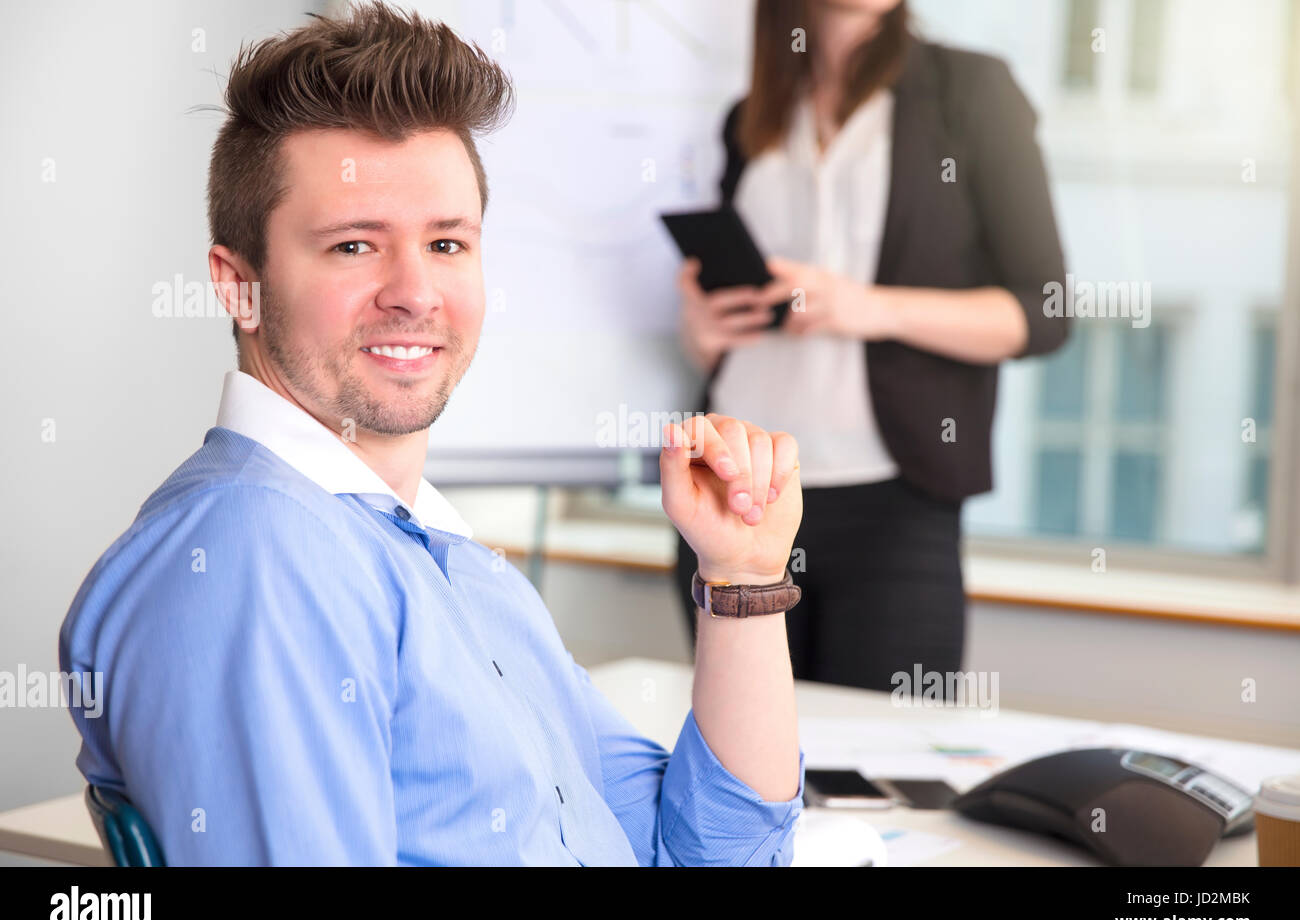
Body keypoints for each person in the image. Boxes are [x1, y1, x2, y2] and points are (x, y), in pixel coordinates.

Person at [58, 1, 807, 866]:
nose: (416, 292)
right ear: (239, 286)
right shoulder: (253, 554)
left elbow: (713, 855)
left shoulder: (449, 560)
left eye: (448, 243)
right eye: (352, 247)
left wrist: (743, 579)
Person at [673, 0, 1070, 693]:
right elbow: (742, 317)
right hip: (741, 494)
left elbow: (1044, 312)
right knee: (744, 765)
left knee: (881, 768)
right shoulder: (750, 118)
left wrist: (867, 307)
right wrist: (703, 336)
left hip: (895, 505)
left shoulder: (969, 92)